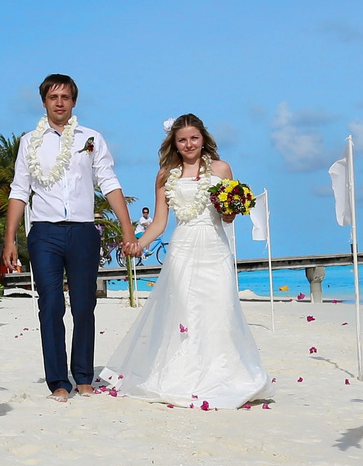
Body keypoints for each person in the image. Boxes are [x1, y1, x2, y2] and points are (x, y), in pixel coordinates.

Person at [109, 115, 270, 407]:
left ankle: (222, 374)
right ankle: (185, 375)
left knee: (220, 309)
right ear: (174, 143)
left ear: (203, 138)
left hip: (215, 247)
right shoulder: (165, 175)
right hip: (183, 248)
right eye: (182, 139)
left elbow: (227, 217)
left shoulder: (221, 169)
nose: (189, 144)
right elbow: (159, 223)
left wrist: (231, 209)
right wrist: (137, 244)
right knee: (187, 312)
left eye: (194, 138)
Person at [0, 75, 133, 399]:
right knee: (51, 305)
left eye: (66, 97)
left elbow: (109, 181)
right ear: (43, 101)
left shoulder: (91, 138)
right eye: (53, 97)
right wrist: (9, 239)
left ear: (74, 102)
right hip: (44, 233)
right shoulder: (28, 142)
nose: (59, 102)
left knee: (84, 306)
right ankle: (58, 381)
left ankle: (84, 376)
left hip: (84, 231)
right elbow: (19, 190)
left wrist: (127, 229)